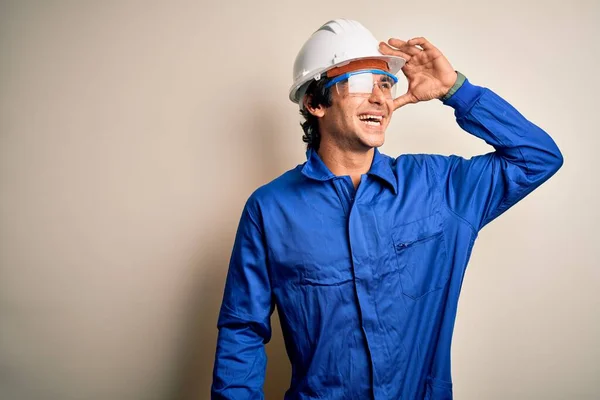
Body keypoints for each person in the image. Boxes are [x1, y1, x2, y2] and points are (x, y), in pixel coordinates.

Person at [210, 19, 563, 400]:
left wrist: (455, 91)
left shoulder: (438, 186)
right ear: (315, 102)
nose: (380, 97)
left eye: (385, 83)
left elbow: (537, 158)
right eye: (362, 84)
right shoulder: (270, 209)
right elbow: (242, 331)